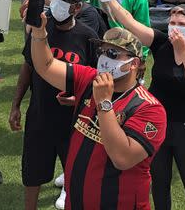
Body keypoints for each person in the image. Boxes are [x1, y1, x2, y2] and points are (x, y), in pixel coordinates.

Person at [28, 15, 166, 210]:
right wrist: (39, 32)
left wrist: (104, 103)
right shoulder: (90, 79)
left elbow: (122, 158)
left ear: (134, 63)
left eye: (112, 53)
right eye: (101, 51)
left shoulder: (150, 109)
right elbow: (46, 66)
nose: (103, 58)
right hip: (77, 200)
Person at [100, 0, 185, 210]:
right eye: (172, 21)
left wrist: (184, 50)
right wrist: (110, 0)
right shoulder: (160, 42)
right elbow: (130, 22)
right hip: (156, 127)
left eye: (181, 23)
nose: (174, 26)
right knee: (160, 183)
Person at [10, 0, 98, 210]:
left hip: (74, 122)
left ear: (77, 8)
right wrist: (16, 104)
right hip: (40, 115)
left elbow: (95, 80)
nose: (57, 3)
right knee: (32, 171)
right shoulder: (41, 28)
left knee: (75, 173)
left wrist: (78, 98)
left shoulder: (88, 36)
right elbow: (28, 66)